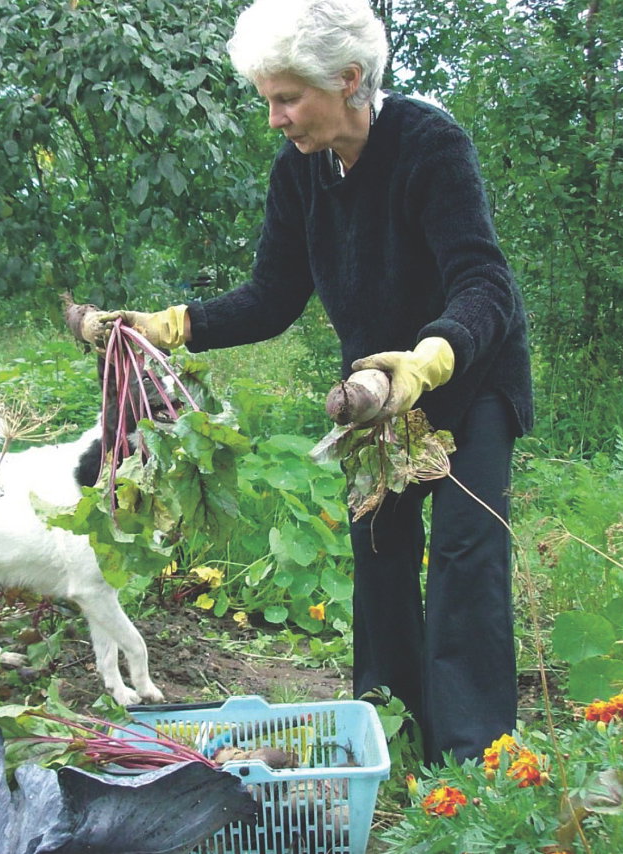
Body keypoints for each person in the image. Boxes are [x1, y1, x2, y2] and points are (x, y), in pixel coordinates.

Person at [81, 0, 533, 765]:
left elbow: (484, 281)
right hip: (371, 393)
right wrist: (171, 325)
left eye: (286, 98)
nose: (274, 118)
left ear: (349, 79)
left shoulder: (430, 145)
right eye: (268, 99)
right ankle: (391, 727)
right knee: (381, 547)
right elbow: (272, 297)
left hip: (466, 376)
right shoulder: (300, 172)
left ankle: (475, 761)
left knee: (465, 554)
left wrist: (426, 361)